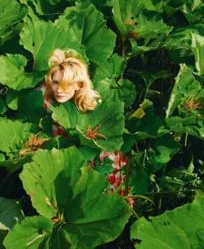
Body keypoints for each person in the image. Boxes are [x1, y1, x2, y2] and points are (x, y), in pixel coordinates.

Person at [38, 48, 134, 207]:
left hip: (97, 161)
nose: (60, 89)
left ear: (78, 85)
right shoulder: (48, 98)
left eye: (66, 84)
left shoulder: (93, 102)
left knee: (102, 203)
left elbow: (106, 151)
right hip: (64, 159)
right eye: (56, 82)